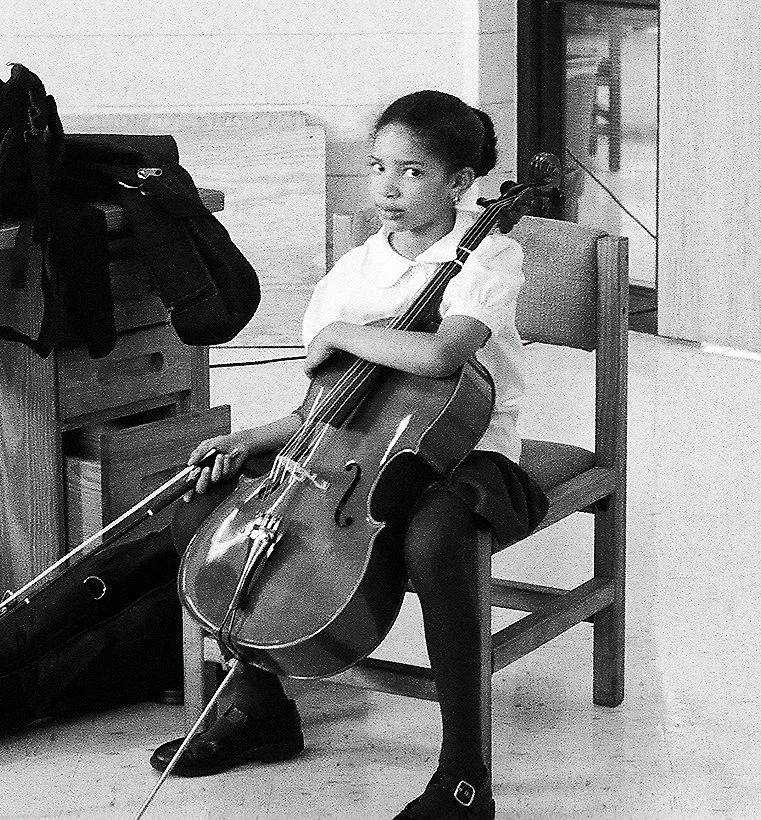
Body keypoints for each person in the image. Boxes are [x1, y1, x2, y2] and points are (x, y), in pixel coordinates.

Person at [150, 90, 548, 820]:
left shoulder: (489, 253)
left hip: (465, 452)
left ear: (460, 183)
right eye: (378, 167)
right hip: (352, 455)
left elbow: (442, 355)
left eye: (413, 172)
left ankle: (464, 773)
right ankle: (259, 707)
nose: (389, 187)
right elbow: (324, 410)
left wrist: (340, 334)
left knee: (433, 538)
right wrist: (249, 439)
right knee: (201, 508)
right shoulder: (355, 268)